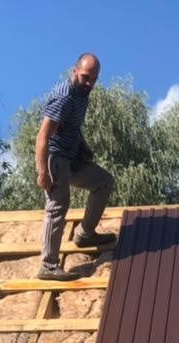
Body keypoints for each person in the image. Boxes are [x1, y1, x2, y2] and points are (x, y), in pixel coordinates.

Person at [35, 53, 115, 282]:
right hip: (56, 158)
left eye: (94, 79)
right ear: (74, 71)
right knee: (58, 205)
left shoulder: (83, 94)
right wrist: (42, 171)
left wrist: (83, 147)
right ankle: (48, 265)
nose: (89, 83)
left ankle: (85, 235)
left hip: (72, 158)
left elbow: (72, 126)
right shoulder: (65, 96)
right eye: (85, 77)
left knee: (103, 182)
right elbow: (42, 136)